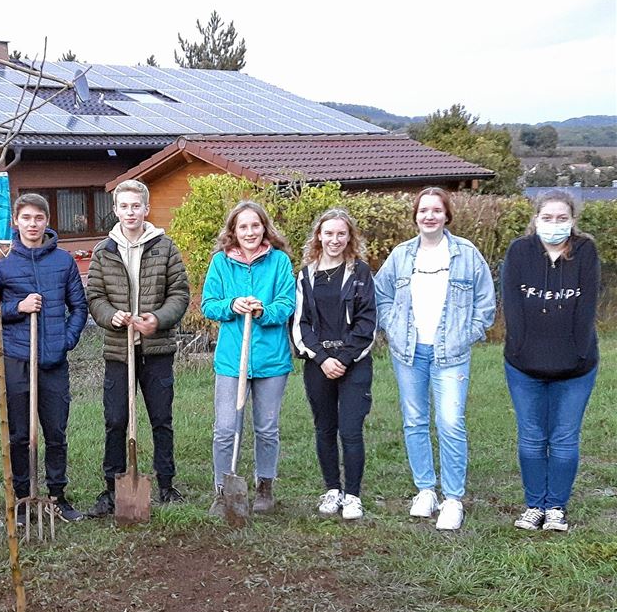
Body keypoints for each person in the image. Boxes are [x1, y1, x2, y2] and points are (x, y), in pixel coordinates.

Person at [374, 187, 496, 530]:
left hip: (451, 354)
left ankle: (453, 499)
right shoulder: (401, 255)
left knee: (450, 422)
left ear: (446, 216)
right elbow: (381, 294)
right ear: (415, 216)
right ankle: (425, 490)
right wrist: (393, 326)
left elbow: (486, 302)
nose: (429, 216)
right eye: (423, 210)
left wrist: (468, 333)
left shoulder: (466, 254)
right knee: (415, 420)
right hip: (409, 352)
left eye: (436, 210)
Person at [0, 194, 88, 522]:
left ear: (47, 221)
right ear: (15, 221)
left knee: (55, 432)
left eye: (39, 218)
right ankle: (23, 498)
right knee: (19, 435)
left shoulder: (63, 261)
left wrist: (66, 340)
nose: (33, 224)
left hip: (53, 362)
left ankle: (57, 496)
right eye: (26, 218)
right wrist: (18, 307)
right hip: (17, 360)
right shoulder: (2, 261)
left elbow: (78, 307)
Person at [85, 179, 190, 517]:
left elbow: (179, 293)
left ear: (146, 209)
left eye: (136, 206)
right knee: (116, 420)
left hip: (156, 349)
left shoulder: (165, 247)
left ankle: (166, 484)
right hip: (119, 351)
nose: (130, 212)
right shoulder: (104, 251)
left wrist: (157, 319)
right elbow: (95, 296)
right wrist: (110, 316)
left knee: (161, 418)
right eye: (124, 206)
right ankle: (112, 488)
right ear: (115, 210)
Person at [502, 190, 599, 532]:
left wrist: (576, 354)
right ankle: (534, 505)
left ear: (572, 221)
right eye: (547, 218)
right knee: (531, 437)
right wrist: (522, 350)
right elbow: (511, 306)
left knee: (564, 438)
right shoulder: (519, 251)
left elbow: (587, 308)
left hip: (575, 367)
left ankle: (555, 507)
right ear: (536, 220)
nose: (554, 224)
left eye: (561, 218)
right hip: (524, 366)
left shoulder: (585, 251)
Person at [201, 201, 295, 516]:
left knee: (266, 428)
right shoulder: (221, 263)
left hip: (271, 359)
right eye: (243, 226)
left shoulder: (279, 261)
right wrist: (232, 305)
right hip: (231, 360)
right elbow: (208, 304)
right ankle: (222, 491)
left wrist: (264, 310)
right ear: (234, 231)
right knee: (226, 428)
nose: (250, 232)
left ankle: (264, 487)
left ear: (264, 228)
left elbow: (287, 303)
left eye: (255, 225)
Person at [291, 208, 377, 520]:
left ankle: (352, 495)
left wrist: (342, 359)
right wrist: (322, 358)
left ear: (349, 236)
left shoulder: (361, 273)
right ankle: (332, 489)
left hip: (353, 363)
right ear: (319, 236)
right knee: (325, 428)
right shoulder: (306, 275)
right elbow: (300, 324)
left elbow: (367, 323)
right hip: (318, 364)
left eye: (341, 233)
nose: (335, 239)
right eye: (328, 233)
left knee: (351, 430)